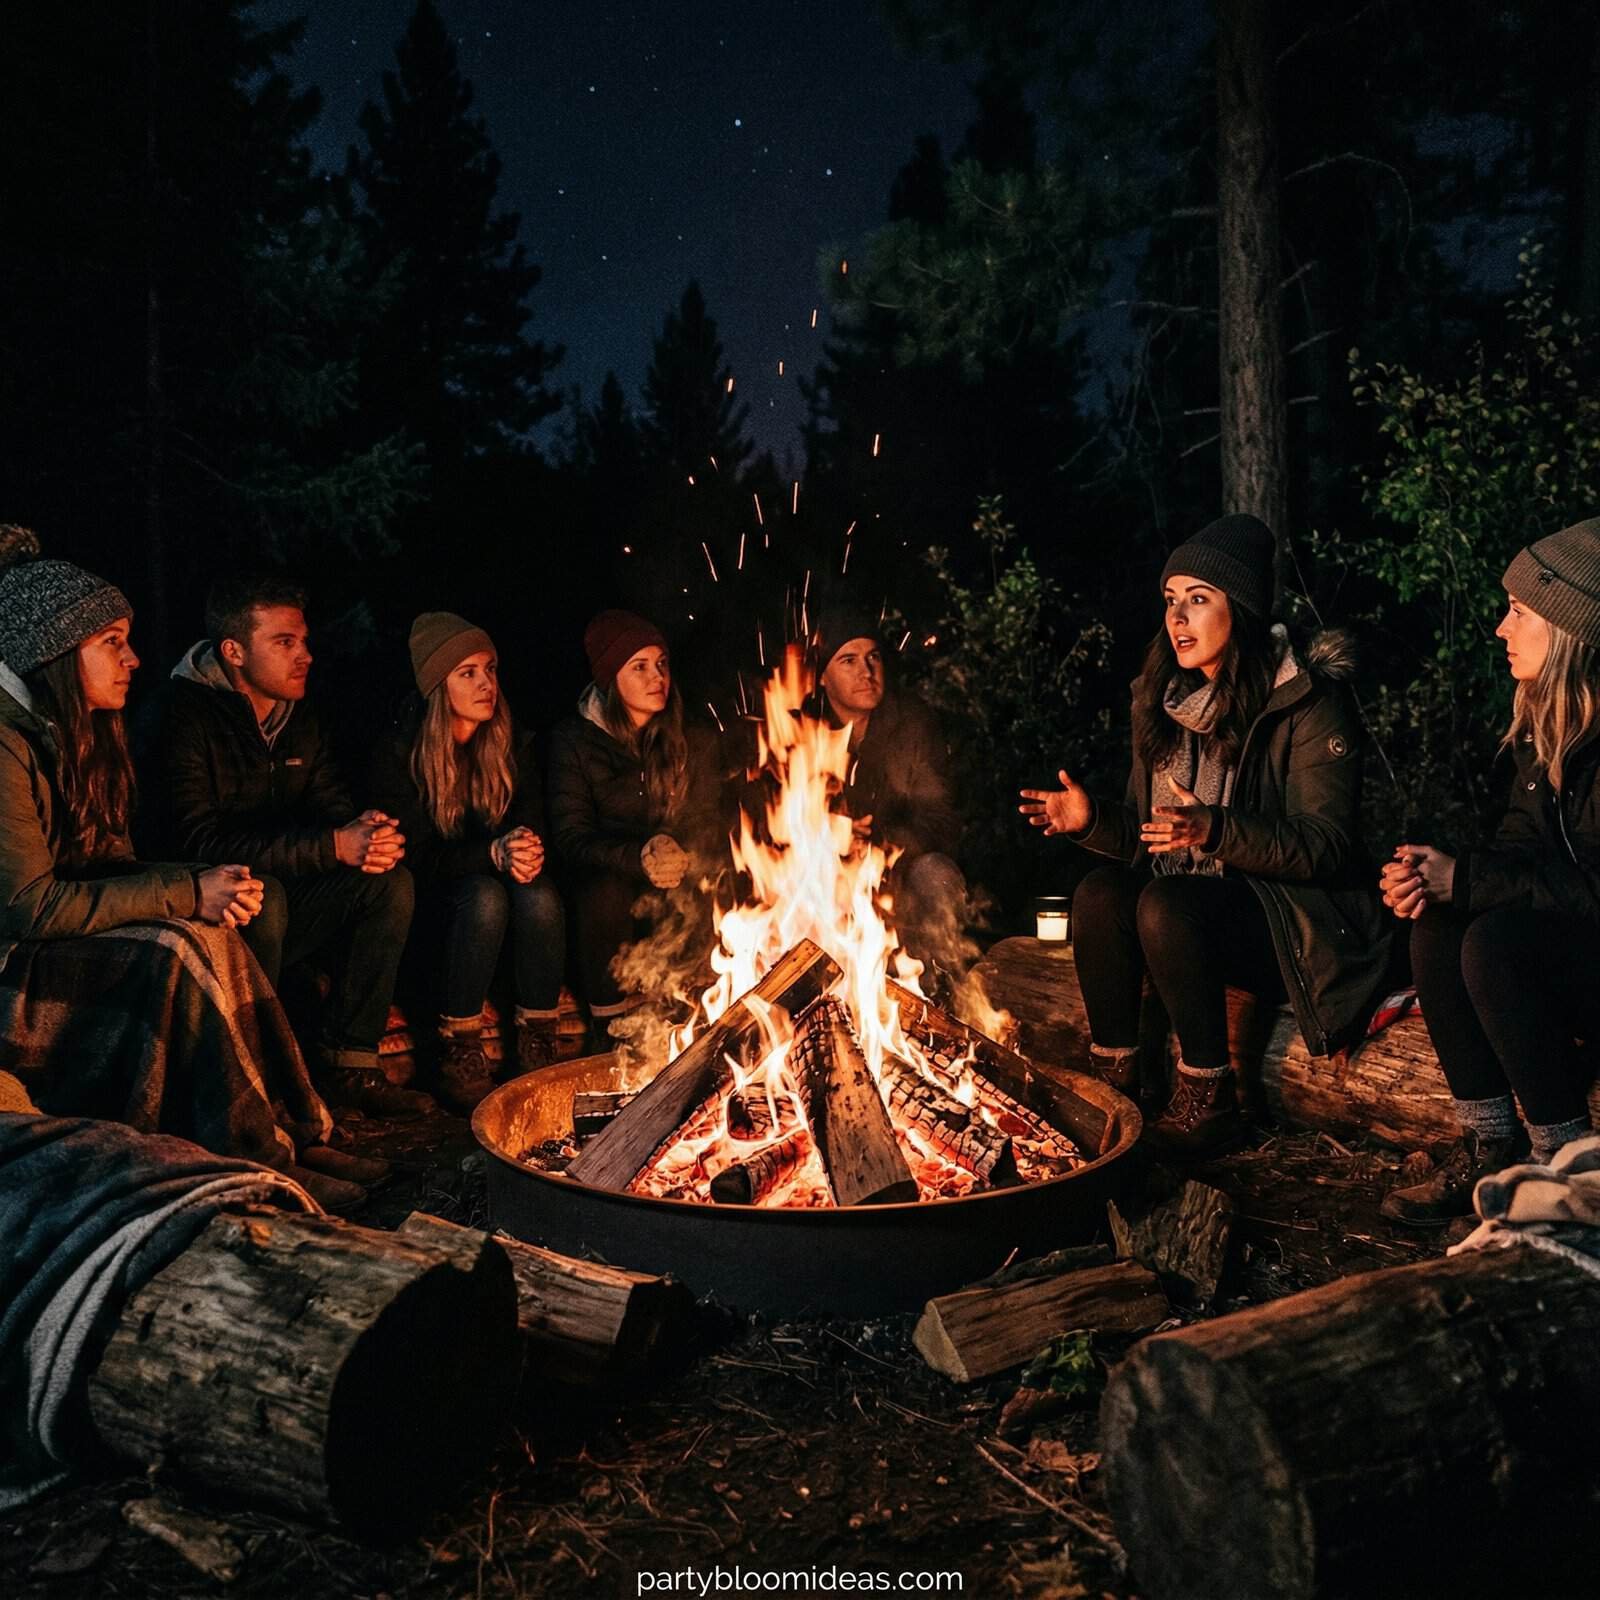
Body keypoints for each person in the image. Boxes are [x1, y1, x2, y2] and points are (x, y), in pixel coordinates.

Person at [0, 527, 366, 1207]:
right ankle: (252, 1155)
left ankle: (295, 1129)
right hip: (13, 969)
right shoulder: (6, 743)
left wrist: (200, 891)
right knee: (174, 947)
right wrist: (181, 890)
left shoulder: (70, 730)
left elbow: (101, 863)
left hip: (51, 937)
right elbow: (29, 905)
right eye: (111, 642)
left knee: (212, 930)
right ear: (54, 652)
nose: (134, 659)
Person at [1020, 513, 1389, 1159]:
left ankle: (1208, 1099)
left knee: (1167, 902)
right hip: (1190, 914)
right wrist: (1092, 821)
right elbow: (1151, 841)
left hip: (1286, 921)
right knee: (1102, 891)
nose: (1178, 619)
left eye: (1198, 600)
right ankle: (1120, 1086)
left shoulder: (1305, 701)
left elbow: (1326, 846)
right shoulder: (1164, 702)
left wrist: (1217, 830)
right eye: (1171, 601)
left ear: (1239, 609)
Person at [1380, 518, 1600, 1223]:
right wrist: (1438, 873)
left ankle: (1568, 1166)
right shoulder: (1552, 726)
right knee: (1440, 927)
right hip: (1578, 955)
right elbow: (1520, 851)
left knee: (1493, 941)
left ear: (1569, 630)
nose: (1502, 630)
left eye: (1519, 612)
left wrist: (1470, 880)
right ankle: (1490, 1146)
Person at [162, 574, 429, 1118]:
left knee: (388, 883)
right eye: (284, 642)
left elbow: (330, 808)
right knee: (267, 898)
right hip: (201, 914)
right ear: (233, 651)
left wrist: (366, 833)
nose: (305, 655)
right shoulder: (180, 716)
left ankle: (351, 1064)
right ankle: (259, 1091)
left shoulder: (298, 717)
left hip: (284, 898)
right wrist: (333, 845)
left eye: (303, 640)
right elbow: (199, 841)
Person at [369, 613, 566, 1113]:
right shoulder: (400, 752)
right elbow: (413, 858)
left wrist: (526, 847)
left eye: (491, 669)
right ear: (438, 684)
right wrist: (493, 854)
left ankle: (539, 1042)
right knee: (485, 894)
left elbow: (531, 823)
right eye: (468, 673)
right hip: (433, 914)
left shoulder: (508, 742)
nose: (486, 684)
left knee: (537, 891)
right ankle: (459, 1049)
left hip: (499, 900)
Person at [546, 610, 721, 1036]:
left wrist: (677, 850)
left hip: (667, 877)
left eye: (661, 664)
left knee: (714, 876)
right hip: (606, 884)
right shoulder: (574, 741)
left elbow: (708, 819)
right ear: (610, 679)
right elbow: (571, 836)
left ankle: (699, 1009)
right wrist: (637, 856)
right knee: (603, 888)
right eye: (639, 667)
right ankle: (611, 1025)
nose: (656, 676)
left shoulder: (689, 738)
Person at [810, 606, 967, 988]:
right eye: (848, 660)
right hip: (818, 879)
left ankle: (938, 999)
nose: (866, 671)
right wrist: (824, 837)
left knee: (937, 874)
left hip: (898, 875)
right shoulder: (798, 730)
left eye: (873, 657)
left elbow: (941, 821)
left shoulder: (912, 723)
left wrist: (877, 842)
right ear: (823, 678)